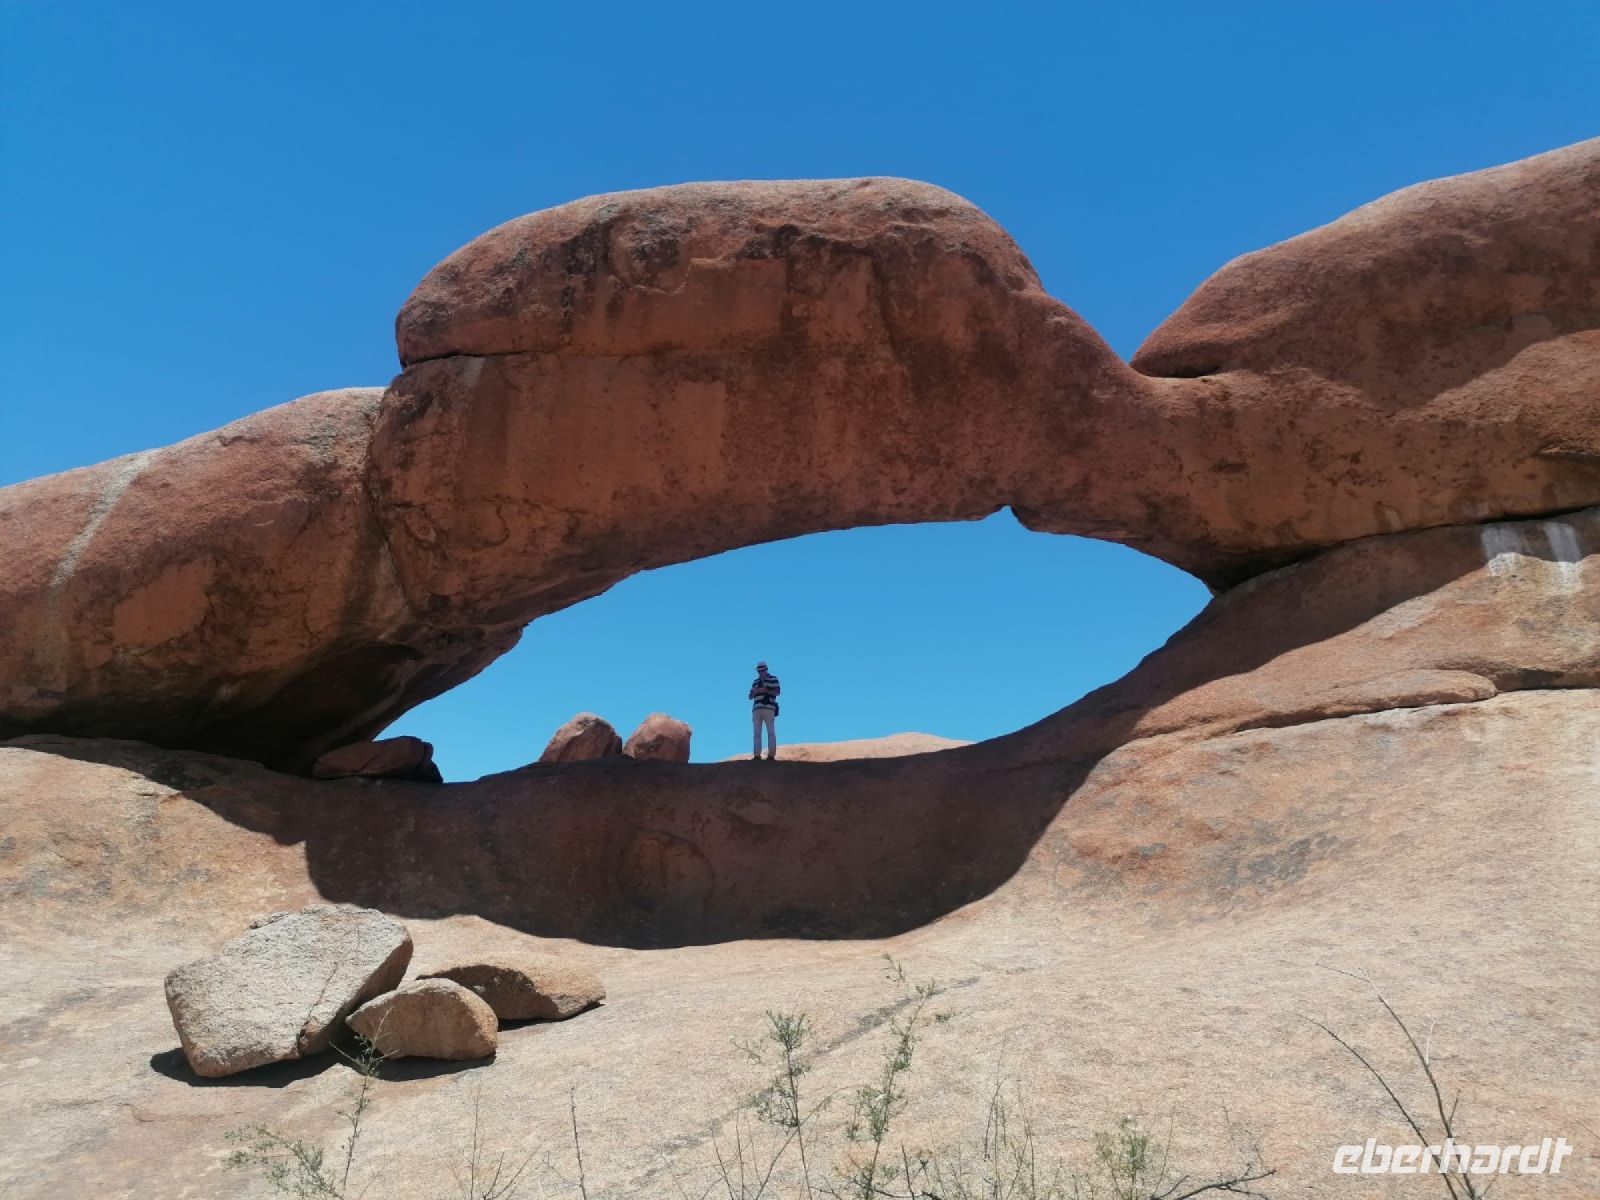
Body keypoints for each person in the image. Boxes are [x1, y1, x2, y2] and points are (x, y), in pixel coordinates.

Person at [749, 661, 781, 761]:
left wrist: (766, 691)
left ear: (766, 669)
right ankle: (757, 755)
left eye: (762, 670)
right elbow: (749, 696)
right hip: (756, 709)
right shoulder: (755, 682)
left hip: (769, 708)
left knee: (770, 732)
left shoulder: (773, 679)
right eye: (759, 670)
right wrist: (755, 692)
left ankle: (771, 755)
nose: (761, 672)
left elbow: (778, 692)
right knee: (757, 733)